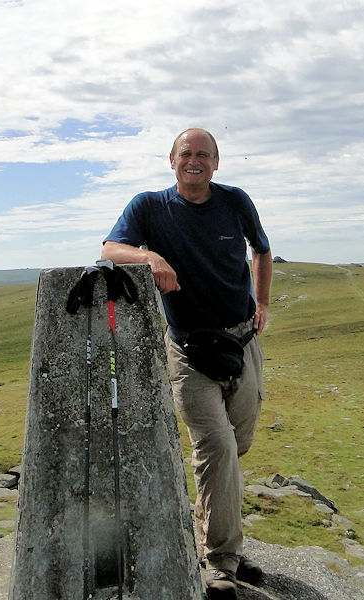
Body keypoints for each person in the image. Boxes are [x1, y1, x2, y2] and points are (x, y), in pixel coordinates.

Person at [101, 128, 272, 599]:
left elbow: (261, 248)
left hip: (241, 342)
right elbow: (109, 249)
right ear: (171, 161)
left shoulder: (234, 201)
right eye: (185, 154)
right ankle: (221, 561)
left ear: (216, 163)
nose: (194, 161)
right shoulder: (149, 206)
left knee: (236, 448)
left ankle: (218, 538)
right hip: (190, 351)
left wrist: (262, 301)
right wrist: (150, 254)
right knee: (216, 448)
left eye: (203, 154)